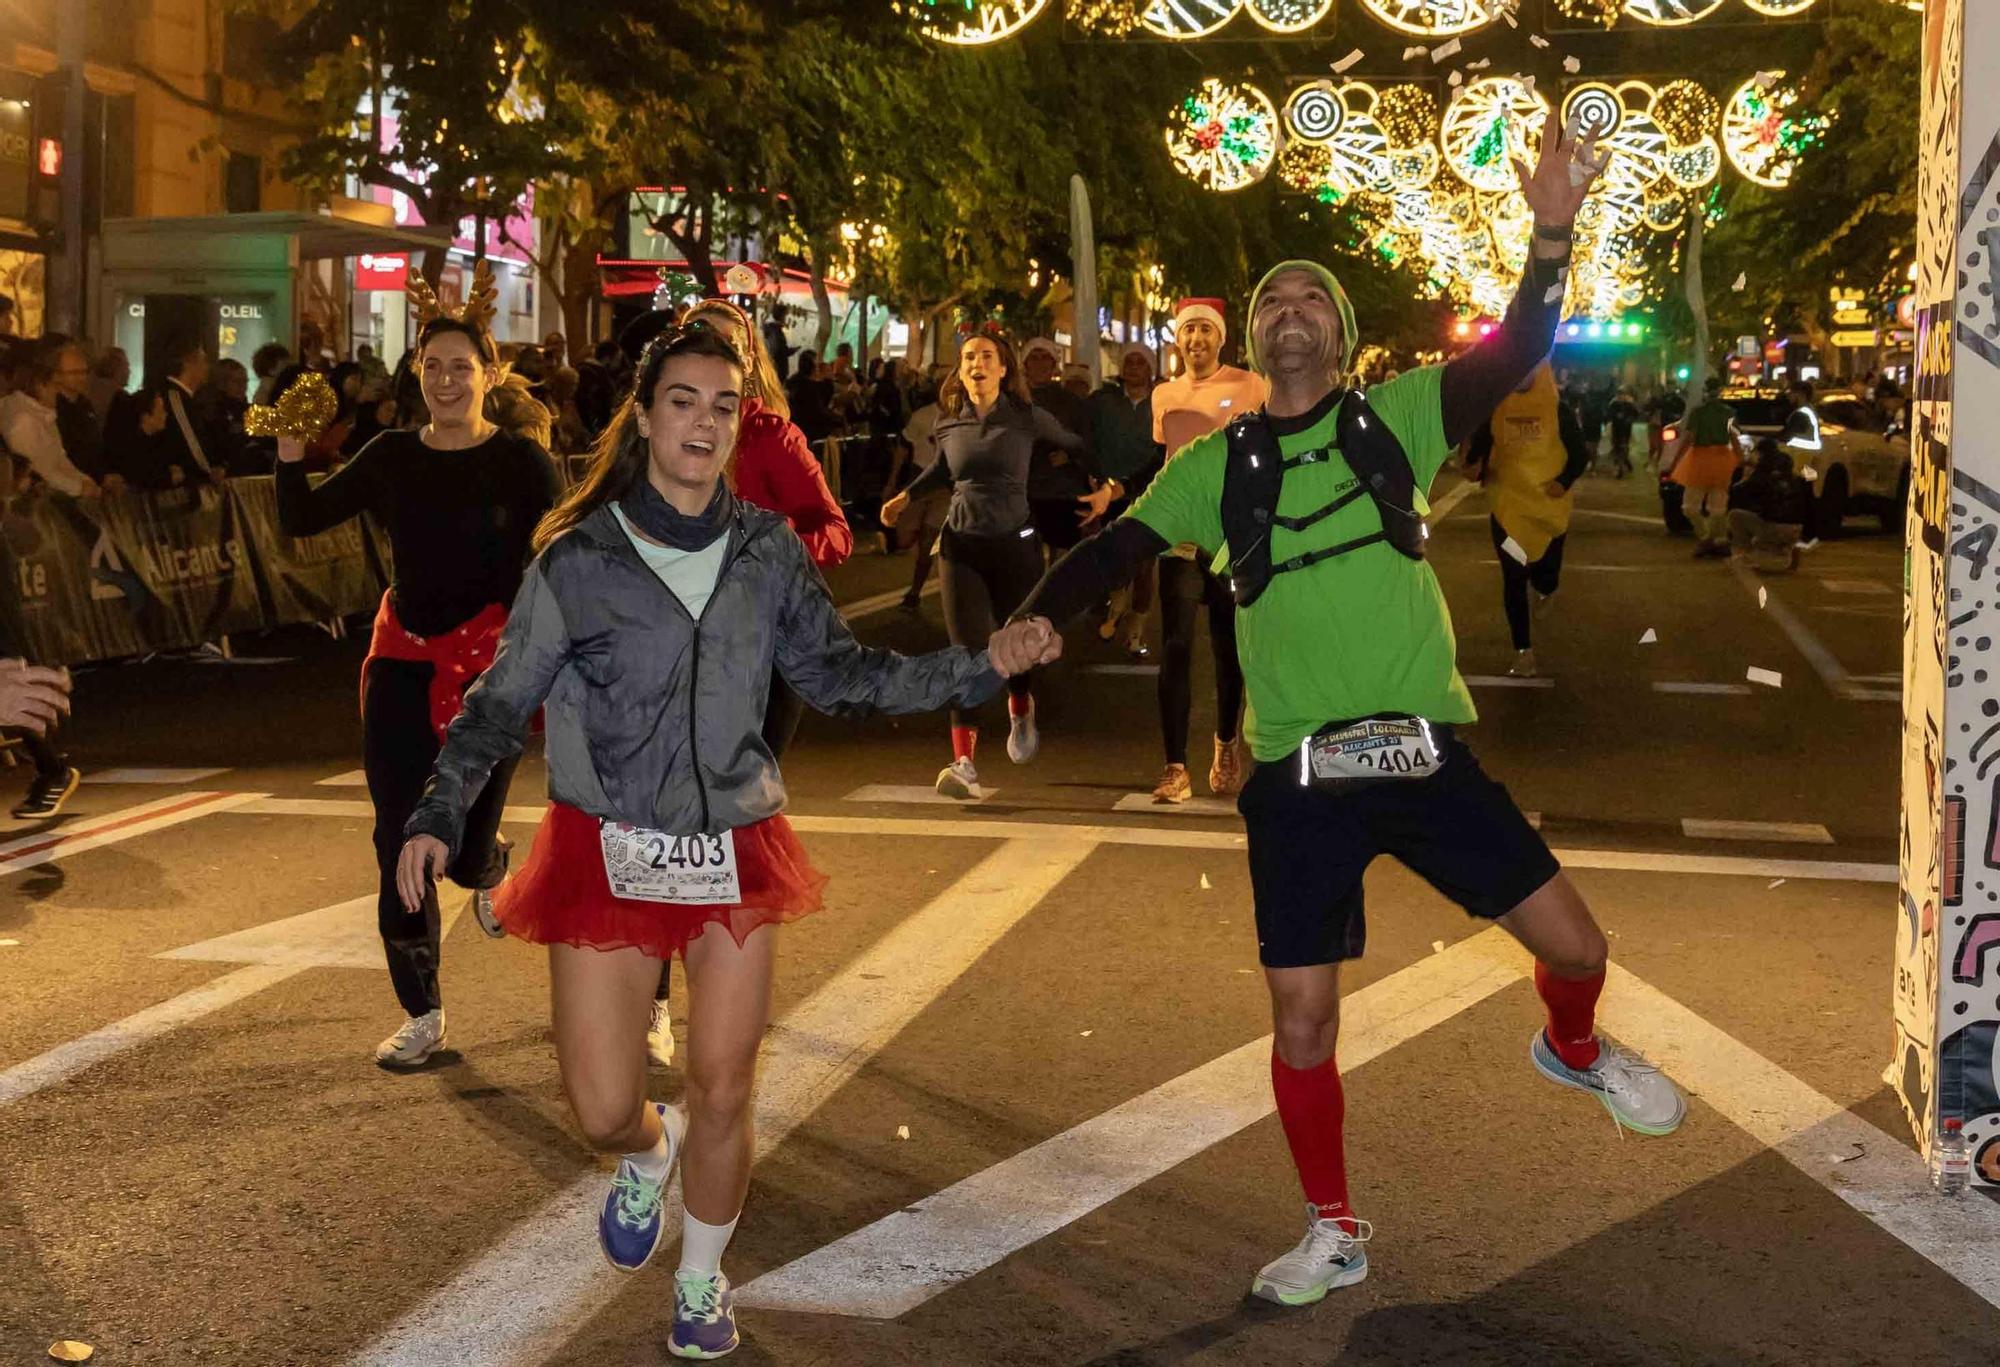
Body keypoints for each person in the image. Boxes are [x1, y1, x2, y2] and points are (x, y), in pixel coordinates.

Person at [1011, 110, 1683, 1308]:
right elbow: (1116, 547)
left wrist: (1549, 226)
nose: (1287, 314)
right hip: (1298, 776)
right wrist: (1037, 616)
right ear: (1253, 334)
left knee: (1579, 948)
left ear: (1340, 333)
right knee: (1305, 1020)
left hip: (1420, 754)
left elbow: (1522, 336)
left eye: (1308, 300)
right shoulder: (1214, 466)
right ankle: (1331, 1225)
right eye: (1270, 301)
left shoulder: (1403, 416)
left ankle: (1569, 1045)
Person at [394, 321, 1038, 1359]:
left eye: (722, 405)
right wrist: (436, 811)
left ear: (740, 425)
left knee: (726, 1082)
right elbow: (498, 701)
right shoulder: (578, 561)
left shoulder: (764, 553)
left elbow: (844, 675)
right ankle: (647, 1160)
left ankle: (701, 1275)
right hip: (604, 847)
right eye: (682, 400)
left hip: (733, 843)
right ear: (643, 417)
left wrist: (976, 665)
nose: (701, 421)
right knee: (604, 1106)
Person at [275, 268, 561, 1069]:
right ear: (416, 375)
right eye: (431, 365)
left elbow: (570, 560)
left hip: (490, 677)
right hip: (401, 663)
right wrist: (290, 454)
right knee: (396, 833)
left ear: (489, 376)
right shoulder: (393, 454)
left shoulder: (523, 465)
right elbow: (302, 516)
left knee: (463, 856)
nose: (443, 379)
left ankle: (490, 859)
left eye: (460, 366)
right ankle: (422, 1009)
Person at [642, 296, 855, 1067]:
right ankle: (654, 999)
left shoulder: (771, 437)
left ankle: (721, 989)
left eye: (726, 353)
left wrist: (766, 551)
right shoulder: (649, 434)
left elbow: (833, 527)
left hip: (762, 661)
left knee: (727, 830)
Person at [878, 329, 1091, 799]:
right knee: (968, 652)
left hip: (1015, 545)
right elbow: (943, 469)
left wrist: (1103, 486)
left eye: (987, 356)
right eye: (969, 356)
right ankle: (964, 763)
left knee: (1015, 647)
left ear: (1002, 369)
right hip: (961, 547)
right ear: (962, 369)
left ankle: (1020, 705)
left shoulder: (1025, 417)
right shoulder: (948, 421)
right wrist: (905, 497)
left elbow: (1077, 443)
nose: (977, 363)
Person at [1146, 297, 1269, 804]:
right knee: (1175, 649)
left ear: (1221, 338)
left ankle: (1225, 742)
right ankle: (1174, 767)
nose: (1196, 339)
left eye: (1205, 331)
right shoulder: (1164, 394)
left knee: (1228, 650)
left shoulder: (1249, 386)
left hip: (1229, 540)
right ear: (1178, 339)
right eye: (1188, 331)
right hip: (1179, 538)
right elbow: (1165, 459)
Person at [1465, 360, 1590, 678]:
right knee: (1513, 578)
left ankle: (1547, 588)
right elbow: (1475, 455)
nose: (1520, 376)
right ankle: (1523, 651)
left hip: (1548, 508)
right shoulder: (1497, 409)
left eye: (1527, 370)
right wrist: (1473, 466)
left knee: (1545, 575)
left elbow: (1579, 454)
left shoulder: (1557, 411)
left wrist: (1562, 482)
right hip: (1508, 510)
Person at [1089, 343, 1161, 656]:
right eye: (1129, 361)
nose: (1133, 367)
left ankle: (1135, 631)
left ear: (1151, 368)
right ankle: (1116, 605)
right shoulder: (1102, 401)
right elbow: (1085, 437)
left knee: (1144, 563)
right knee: (1116, 557)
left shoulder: (1162, 401)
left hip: (1150, 492)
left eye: (1140, 362)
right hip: (1110, 493)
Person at [1020, 339, 1099, 555]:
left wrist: (1070, 456)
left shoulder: (1071, 402)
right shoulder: (1012, 401)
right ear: (1025, 364)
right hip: (1022, 494)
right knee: (1026, 559)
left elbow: (1089, 445)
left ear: (1054, 364)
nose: (1039, 363)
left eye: (1045, 357)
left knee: (1062, 562)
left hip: (1061, 493)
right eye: (1033, 358)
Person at [1, 341, 104, 499]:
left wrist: (85, 481)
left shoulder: (46, 414)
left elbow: (60, 459)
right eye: (57, 387)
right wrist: (79, 488)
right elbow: (39, 470)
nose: (60, 394)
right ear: (40, 384)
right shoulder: (24, 420)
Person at [891, 383, 952, 612]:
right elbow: (903, 448)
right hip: (918, 485)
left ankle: (914, 592)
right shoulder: (922, 416)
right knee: (904, 540)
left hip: (945, 489)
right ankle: (919, 534)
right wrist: (893, 482)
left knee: (927, 544)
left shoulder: (964, 418)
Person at [1668, 376, 1742, 558]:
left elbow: (1689, 438)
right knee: (1718, 506)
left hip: (1699, 458)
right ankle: (1718, 540)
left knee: (1690, 506)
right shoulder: (1729, 412)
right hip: (1723, 458)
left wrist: (1675, 461)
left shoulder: (1698, 412)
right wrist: (1741, 460)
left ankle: (1705, 537)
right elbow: (1734, 439)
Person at [151, 336, 230, 488]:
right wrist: (207, 470)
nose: (207, 367)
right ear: (188, 363)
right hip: (183, 487)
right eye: (203, 361)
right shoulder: (175, 397)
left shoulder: (187, 398)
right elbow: (190, 438)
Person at [1728, 438, 1813, 573]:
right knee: (1772, 539)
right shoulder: (1792, 475)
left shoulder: (1762, 471)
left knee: (1735, 516)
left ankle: (1744, 553)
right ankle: (1788, 547)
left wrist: (1745, 477)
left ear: (1761, 454)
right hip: (1797, 527)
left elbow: (1741, 492)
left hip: (1773, 525)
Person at [1780, 379, 1823, 550]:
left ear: (1800, 394)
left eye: (1792, 392)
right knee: (1809, 494)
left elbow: (1787, 435)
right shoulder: (1809, 411)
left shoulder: (1801, 413)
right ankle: (1811, 533)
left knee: (1801, 495)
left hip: (1801, 461)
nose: (1789, 396)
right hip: (1810, 460)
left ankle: (1807, 534)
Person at [1606, 387, 1639, 478]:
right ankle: (1619, 464)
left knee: (1624, 446)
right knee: (1616, 446)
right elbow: (1609, 415)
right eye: (1619, 394)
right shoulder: (1613, 404)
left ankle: (1623, 461)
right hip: (1616, 428)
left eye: (1623, 394)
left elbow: (1635, 414)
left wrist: (1629, 419)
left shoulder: (1629, 404)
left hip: (1626, 429)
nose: (1621, 396)